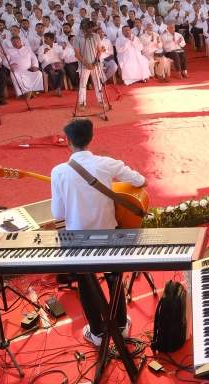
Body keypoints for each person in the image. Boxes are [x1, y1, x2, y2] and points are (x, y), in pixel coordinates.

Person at [50, 118, 147, 346]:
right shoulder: (106, 164)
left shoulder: (59, 172)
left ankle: (97, 333)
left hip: (77, 239)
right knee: (115, 277)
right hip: (110, 234)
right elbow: (140, 180)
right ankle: (121, 326)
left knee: (86, 282)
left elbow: (58, 213)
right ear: (91, 138)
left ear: (68, 142)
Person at [75, 19, 106, 109]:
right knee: (83, 84)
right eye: (88, 28)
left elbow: (99, 50)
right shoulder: (77, 38)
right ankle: (82, 103)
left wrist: (95, 62)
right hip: (84, 65)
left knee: (97, 83)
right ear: (83, 28)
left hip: (95, 64)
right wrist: (87, 64)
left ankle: (100, 100)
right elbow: (77, 54)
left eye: (91, 28)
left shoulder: (96, 36)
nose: (91, 30)